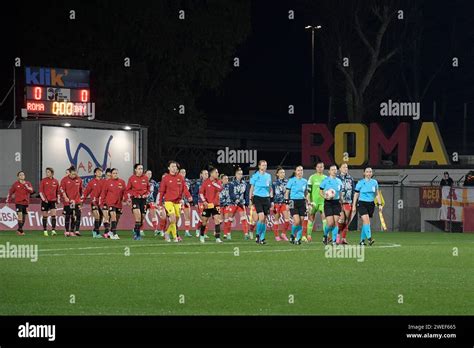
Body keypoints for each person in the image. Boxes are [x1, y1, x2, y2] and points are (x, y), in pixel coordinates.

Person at [157, 161, 193, 243]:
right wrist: (159, 203)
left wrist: (189, 196)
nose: (174, 168)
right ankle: (175, 238)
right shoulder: (165, 178)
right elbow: (161, 191)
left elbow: (184, 188)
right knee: (172, 218)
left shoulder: (180, 177)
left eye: (175, 167)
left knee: (175, 221)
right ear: (169, 168)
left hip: (177, 202)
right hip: (168, 201)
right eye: (172, 166)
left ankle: (167, 232)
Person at [352, 167, 382, 246]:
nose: (369, 173)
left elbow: (377, 194)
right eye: (367, 172)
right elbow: (356, 194)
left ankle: (362, 241)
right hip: (362, 203)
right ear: (364, 173)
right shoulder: (360, 182)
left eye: (370, 172)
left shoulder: (374, 182)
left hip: (371, 204)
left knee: (366, 222)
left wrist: (380, 204)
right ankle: (369, 238)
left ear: (372, 173)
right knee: (366, 221)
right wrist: (354, 205)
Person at [249, 160, 273, 245]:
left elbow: (270, 188)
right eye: (263, 165)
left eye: (265, 165)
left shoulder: (268, 176)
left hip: (266, 198)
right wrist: (250, 199)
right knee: (261, 217)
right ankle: (258, 235)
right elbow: (251, 188)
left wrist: (271, 199)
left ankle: (262, 238)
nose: (264, 167)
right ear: (259, 166)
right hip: (257, 198)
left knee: (264, 220)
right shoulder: (255, 176)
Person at [284, 165, 309, 245]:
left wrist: (308, 202)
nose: (300, 172)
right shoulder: (291, 180)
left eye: (301, 170)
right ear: (295, 171)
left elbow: (306, 193)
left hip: (302, 202)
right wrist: (287, 203)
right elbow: (287, 192)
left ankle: (298, 239)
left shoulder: (305, 181)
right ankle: (292, 235)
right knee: (297, 221)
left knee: (301, 221)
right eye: (298, 170)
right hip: (292, 201)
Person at [319, 164, 343, 246]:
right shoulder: (325, 180)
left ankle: (334, 240)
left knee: (336, 222)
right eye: (332, 169)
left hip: (336, 202)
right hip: (328, 203)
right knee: (330, 223)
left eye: (335, 169)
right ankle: (325, 235)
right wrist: (325, 196)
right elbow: (320, 191)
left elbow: (340, 193)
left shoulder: (339, 181)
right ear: (329, 171)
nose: (334, 171)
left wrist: (341, 201)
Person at [198, 167, 223, 243]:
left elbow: (221, 188)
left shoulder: (218, 182)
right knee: (204, 221)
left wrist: (214, 184)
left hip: (216, 205)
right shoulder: (205, 182)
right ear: (211, 174)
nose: (217, 174)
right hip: (208, 205)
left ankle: (217, 238)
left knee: (217, 220)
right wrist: (204, 201)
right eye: (216, 172)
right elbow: (201, 192)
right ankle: (202, 235)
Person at [100, 168, 127, 239]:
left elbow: (125, 192)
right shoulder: (108, 182)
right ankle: (114, 234)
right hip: (110, 203)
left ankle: (111, 231)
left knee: (117, 218)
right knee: (113, 216)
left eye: (116, 173)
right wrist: (102, 203)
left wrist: (125, 198)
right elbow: (103, 193)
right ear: (111, 174)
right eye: (114, 173)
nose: (115, 174)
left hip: (119, 203)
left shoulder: (122, 182)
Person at [6, 171, 34, 236]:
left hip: (26, 203)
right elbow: (10, 192)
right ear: (18, 177)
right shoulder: (15, 184)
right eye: (20, 175)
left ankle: (19, 229)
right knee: (20, 216)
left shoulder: (28, 183)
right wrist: (8, 201)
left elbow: (31, 191)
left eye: (23, 175)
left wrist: (27, 187)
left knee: (24, 218)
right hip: (18, 202)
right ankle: (21, 231)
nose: (22, 176)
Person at [126, 163, 149, 240]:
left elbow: (148, 189)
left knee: (142, 218)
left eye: (141, 169)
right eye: (139, 169)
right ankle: (137, 235)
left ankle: (136, 229)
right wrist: (134, 195)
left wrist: (147, 194)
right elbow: (128, 190)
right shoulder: (131, 178)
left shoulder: (145, 178)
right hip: (135, 200)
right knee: (138, 216)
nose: (140, 170)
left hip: (143, 200)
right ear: (135, 170)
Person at [306, 162, 327, 242]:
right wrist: (309, 201)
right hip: (313, 202)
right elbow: (308, 192)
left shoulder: (326, 178)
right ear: (316, 168)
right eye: (318, 167)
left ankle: (325, 236)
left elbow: (327, 191)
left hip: (323, 201)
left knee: (324, 218)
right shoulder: (312, 177)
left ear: (323, 168)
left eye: (321, 167)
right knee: (311, 218)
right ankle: (308, 235)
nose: (319, 168)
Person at [60, 166, 83, 237]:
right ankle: (67, 231)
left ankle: (73, 231)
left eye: (75, 174)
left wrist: (81, 200)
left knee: (75, 216)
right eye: (73, 174)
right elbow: (62, 190)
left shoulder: (79, 179)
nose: (74, 175)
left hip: (76, 201)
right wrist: (65, 197)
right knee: (68, 216)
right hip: (68, 201)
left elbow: (81, 190)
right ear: (69, 173)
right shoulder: (64, 180)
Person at [228, 167, 250, 240]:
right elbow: (231, 194)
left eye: (241, 174)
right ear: (235, 175)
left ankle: (246, 234)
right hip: (233, 203)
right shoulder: (231, 183)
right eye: (238, 174)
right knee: (230, 219)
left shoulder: (245, 183)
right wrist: (237, 201)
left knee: (244, 218)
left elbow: (246, 194)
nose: (240, 175)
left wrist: (247, 202)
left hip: (241, 203)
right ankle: (228, 233)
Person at [82, 167, 104, 238]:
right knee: (97, 215)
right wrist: (82, 201)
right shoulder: (92, 182)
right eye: (98, 171)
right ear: (95, 173)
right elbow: (86, 192)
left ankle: (95, 230)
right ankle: (97, 233)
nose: (100, 173)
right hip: (93, 202)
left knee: (101, 216)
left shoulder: (104, 182)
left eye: (100, 171)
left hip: (100, 202)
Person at [39, 167, 60, 236]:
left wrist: (58, 199)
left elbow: (58, 192)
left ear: (52, 173)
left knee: (53, 215)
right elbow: (41, 192)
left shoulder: (56, 181)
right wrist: (44, 199)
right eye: (46, 172)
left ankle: (53, 230)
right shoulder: (43, 181)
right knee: (45, 216)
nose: (47, 173)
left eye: (48, 172)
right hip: (45, 201)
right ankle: (45, 230)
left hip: (53, 201)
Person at [337, 163, 355, 244]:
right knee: (341, 220)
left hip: (348, 202)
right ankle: (337, 236)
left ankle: (343, 238)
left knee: (346, 221)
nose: (345, 168)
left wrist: (353, 202)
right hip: (339, 202)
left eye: (346, 167)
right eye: (343, 167)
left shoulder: (350, 178)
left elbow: (353, 191)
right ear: (340, 169)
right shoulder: (337, 178)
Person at [271, 167, 290, 241]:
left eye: (284, 172)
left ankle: (283, 234)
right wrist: (272, 203)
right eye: (281, 172)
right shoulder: (274, 183)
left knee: (287, 219)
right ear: (277, 174)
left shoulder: (287, 182)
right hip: (276, 203)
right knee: (276, 219)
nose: (283, 174)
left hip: (284, 203)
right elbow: (271, 193)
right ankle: (276, 236)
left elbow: (288, 193)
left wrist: (288, 203)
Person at [192, 169, 209, 238]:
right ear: (201, 175)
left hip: (208, 203)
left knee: (206, 219)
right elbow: (195, 194)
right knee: (203, 218)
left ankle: (198, 229)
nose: (206, 175)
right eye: (205, 174)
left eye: (207, 174)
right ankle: (203, 233)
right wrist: (195, 202)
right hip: (200, 202)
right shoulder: (198, 183)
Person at [145, 169, 160, 235]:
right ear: (145, 174)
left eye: (150, 174)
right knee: (142, 216)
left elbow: (159, 189)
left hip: (151, 201)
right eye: (148, 173)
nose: (149, 175)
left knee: (153, 215)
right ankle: (140, 230)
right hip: (143, 201)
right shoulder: (142, 181)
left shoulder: (153, 182)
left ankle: (155, 230)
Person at [179, 168, 193, 237]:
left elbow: (189, 191)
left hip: (186, 201)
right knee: (176, 216)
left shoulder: (187, 181)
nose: (183, 173)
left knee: (188, 216)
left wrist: (190, 198)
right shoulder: (177, 180)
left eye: (184, 172)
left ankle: (187, 231)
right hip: (177, 201)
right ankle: (174, 230)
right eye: (182, 172)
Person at [219, 174, 233, 239]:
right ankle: (216, 231)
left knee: (226, 219)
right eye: (225, 179)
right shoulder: (218, 186)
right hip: (220, 205)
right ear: (221, 179)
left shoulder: (229, 186)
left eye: (227, 179)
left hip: (227, 204)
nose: (226, 180)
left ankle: (225, 234)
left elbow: (231, 194)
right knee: (220, 220)